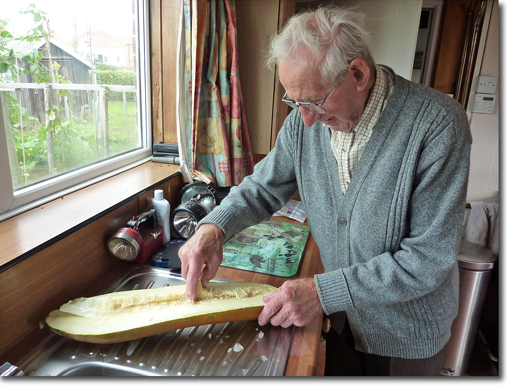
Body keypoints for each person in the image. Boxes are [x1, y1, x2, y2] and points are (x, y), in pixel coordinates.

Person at [178, 5, 471, 376]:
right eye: (294, 101)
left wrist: (321, 292)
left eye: (313, 101)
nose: (305, 118)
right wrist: (213, 228)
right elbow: (262, 187)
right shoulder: (307, 121)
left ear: (358, 74)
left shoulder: (439, 125)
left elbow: (427, 259)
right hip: (341, 318)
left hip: (406, 334)